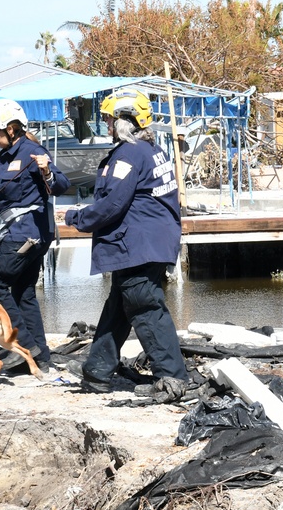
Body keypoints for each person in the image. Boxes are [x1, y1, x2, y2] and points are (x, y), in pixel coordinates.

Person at [62, 89, 189, 399]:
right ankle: (98, 371)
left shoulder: (129, 155)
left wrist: (75, 217)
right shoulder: (151, 150)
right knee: (119, 307)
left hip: (138, 244)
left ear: (125, 122)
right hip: (150, 241)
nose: (106, 124)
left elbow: (111, 205)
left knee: (145, 306)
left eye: (109, 119)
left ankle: (173, 378)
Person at [0, 99, 70, 373]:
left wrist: (46, 170)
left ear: (12, 129)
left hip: (29, 233)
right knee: (22, 292)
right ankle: (40, 358)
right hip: (17, 232)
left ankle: (24, 345)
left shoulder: (34, 152)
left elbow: (61, 185)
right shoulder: (0, 159)